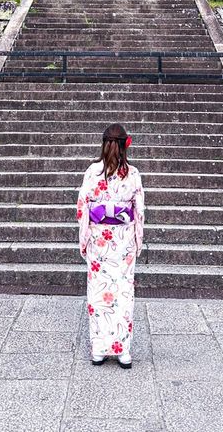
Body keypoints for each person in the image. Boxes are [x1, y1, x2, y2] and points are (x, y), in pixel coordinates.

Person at [77, 123, 145, 369]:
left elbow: (83, 207)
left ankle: (98, 349)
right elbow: (139, 211)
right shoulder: (133, 174)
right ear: (126, 145)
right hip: (123, 241)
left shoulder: (92, 172)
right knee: (123, 294)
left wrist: (84, 240)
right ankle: (123, 351)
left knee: (98, 294)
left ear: (103, 143)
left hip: (99, 240)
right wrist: (138, 241)